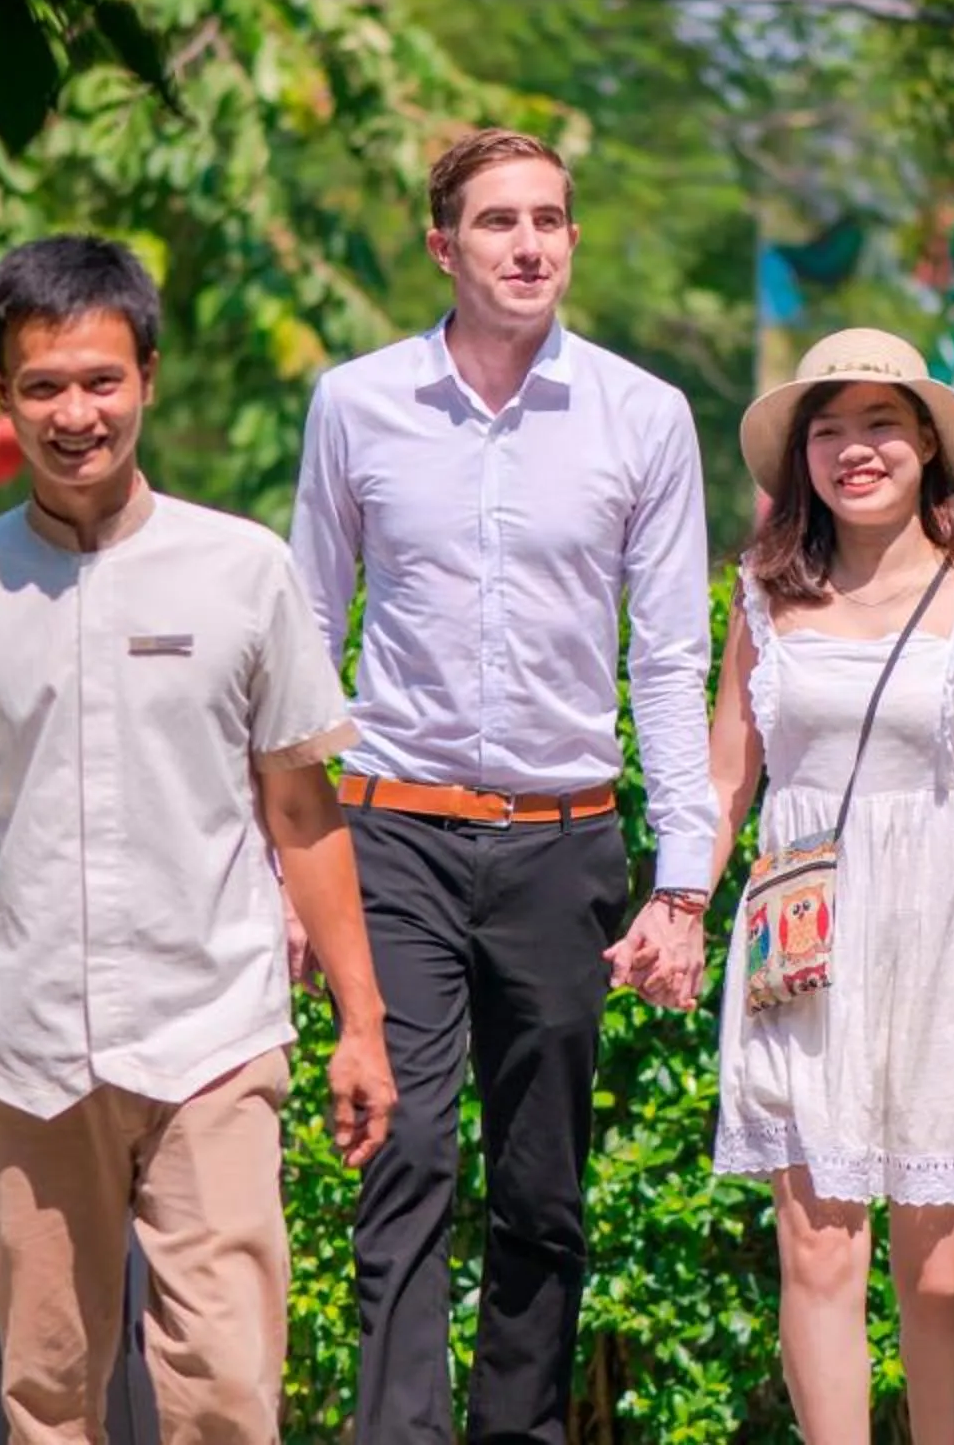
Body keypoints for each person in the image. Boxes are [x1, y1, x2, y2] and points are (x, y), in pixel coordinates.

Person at [0, 233, 399, 1445]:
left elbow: (303, 810)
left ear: (149, 376)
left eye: (101, 380)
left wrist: (362, 1028)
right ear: (2, 394)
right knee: (48, 1396)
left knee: (223, 1389)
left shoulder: (243, 571)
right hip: (28, 1049)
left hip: (210, 1032)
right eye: (44, 385)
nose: (76, 413)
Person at [289, 127, 718, 1445]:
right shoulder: (356, 404)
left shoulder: (644, 416)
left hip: (563, 846)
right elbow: (305, 630)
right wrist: (289, 870)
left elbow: (671, 652)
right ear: (443, 245)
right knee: (404, 1159)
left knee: (544, 1189)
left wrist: (685, 876)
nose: (528, 244)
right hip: (393, 836)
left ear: (572, 238)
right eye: (497, 222)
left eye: (549, 220)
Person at [706, 327, 954, 1445]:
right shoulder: (762, 597)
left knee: (944, 1269)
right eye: (831, 431)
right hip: (802, 934)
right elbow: (727, 783)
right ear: (802, 458)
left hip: (945, 929)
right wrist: (676, 910)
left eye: (881, 424)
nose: (855, 450)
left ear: (927, 444)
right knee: (817, 1245)